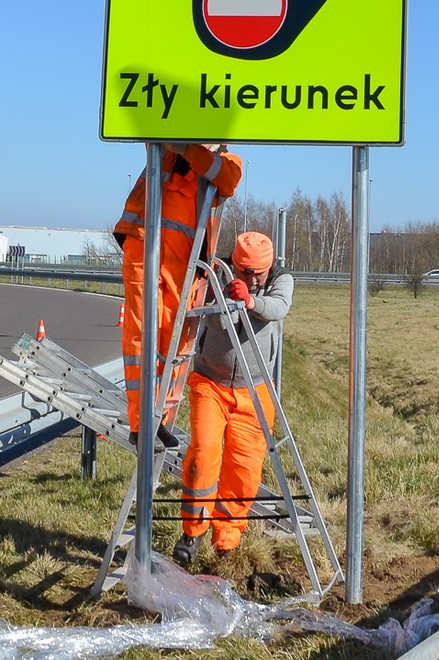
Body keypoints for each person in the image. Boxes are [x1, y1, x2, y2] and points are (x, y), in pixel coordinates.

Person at [175, 229, 294, 566]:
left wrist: (250, 300)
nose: (251, 278)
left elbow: (278, 308)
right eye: (245, 272)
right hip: (209, 382)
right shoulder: (216, 274)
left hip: (255, 389)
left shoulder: (281, 281)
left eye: (257, 274)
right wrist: (221, 292)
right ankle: (192, 532)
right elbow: (192, 302)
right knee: (204, 452)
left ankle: (226, 540)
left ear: (268, 268)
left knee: (244, 468)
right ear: (235, 262)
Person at [113, 144, 242, 443]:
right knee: (143, 332)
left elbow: (227, 179)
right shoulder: (165, 141)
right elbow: (151, 137)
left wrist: (188, 148)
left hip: (183, 262)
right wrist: (180, 144)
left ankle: (161, 420)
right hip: (143, 244)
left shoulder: (227, 159)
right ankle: (142, 422)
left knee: (173, 341)